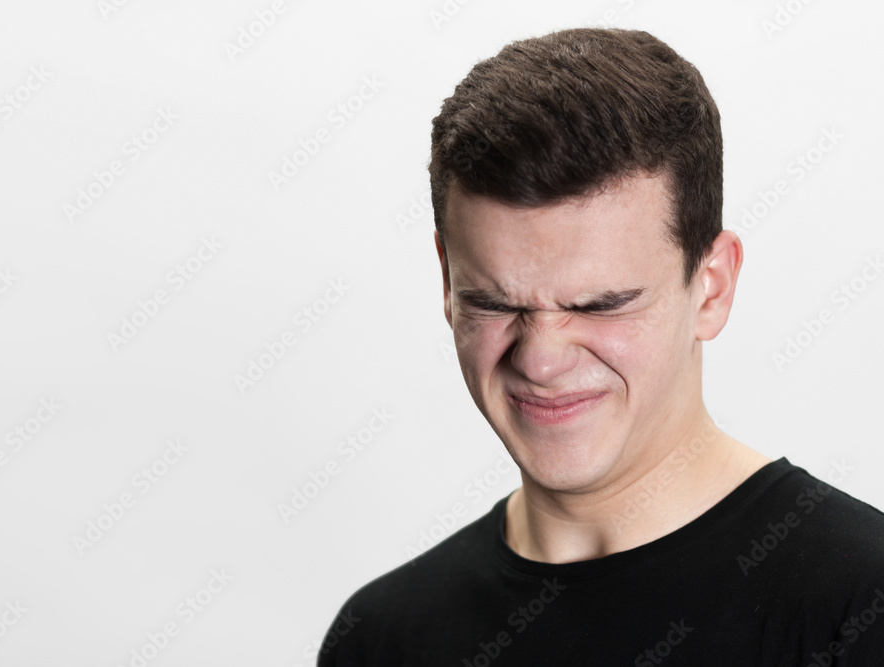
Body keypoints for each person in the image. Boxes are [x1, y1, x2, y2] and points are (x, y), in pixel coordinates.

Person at [316, 27, 884, 665]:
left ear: (713, 288)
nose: (541, 359)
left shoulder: (859, 605)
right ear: (448, 283)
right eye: (494, 303)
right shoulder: (383, 638)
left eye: (600, 306)